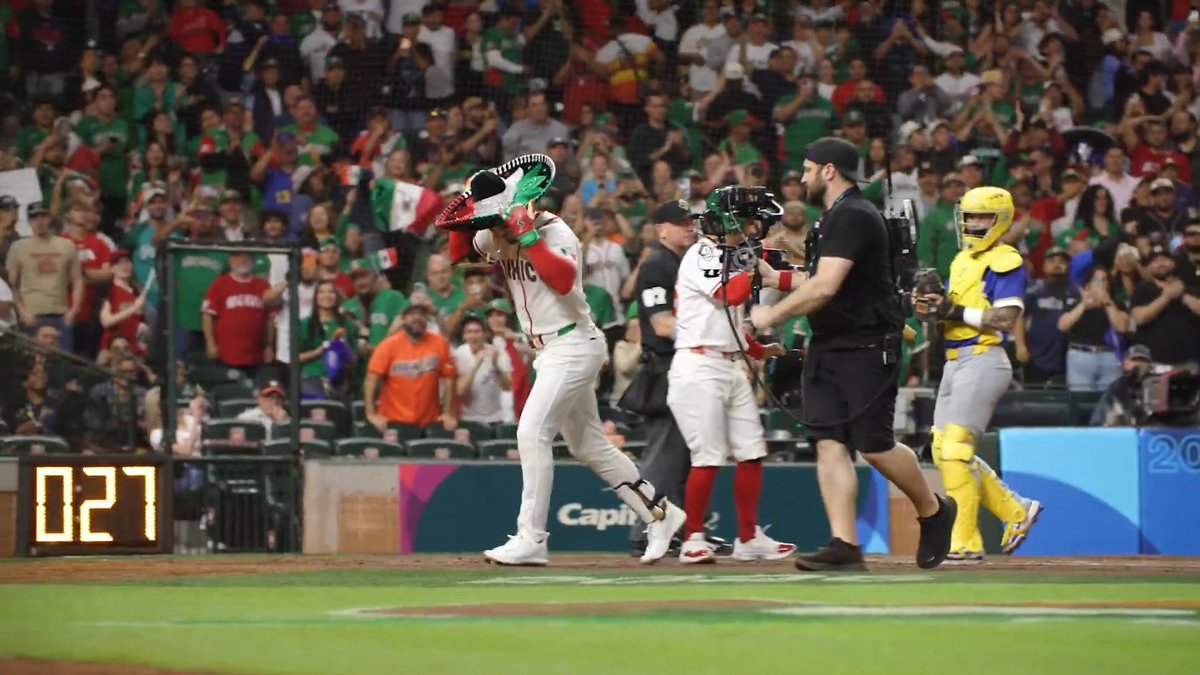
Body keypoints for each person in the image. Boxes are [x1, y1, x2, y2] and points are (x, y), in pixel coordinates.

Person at [446, 161, 685, 566]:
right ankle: (660, 513)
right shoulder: (497, 229)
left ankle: (532, 537)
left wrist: (526, 234)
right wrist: (470, 208)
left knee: (531, 431)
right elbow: (459, 254)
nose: (496, 227)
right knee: (588, 445)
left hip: (573, 342)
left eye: (500, 217)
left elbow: (560, 280)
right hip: (549, 350)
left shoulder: (556, 232)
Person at [749, 137, 956, 571]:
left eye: (808, 170)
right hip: (829, 345)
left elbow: (825, 286)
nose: (802, 178)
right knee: (828, 442)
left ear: (829, 171)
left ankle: (934, 510)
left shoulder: (854, 215)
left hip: (866, 347)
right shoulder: (832, 218)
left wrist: (771, 316)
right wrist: (777, 278)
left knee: (874, 446)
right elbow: (821, 276)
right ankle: (844, 544)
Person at [913, 186, 1044, 562]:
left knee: (956, 450)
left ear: (1000, 220)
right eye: (969, 216)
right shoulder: (960, 260)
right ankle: (1015, 509)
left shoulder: (1005, 259)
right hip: (955, 360)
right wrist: (928, 307)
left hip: (985, 357)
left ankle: (965, 541)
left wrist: (952, 311)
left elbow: (1005, 318)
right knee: (944, 450)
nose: (972, 223)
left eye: (982, 216)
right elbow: (948, 313)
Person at [668, 193, 797, 564]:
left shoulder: (730, 255)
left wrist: (762, 351)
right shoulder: (702, 253)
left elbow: (734, 326)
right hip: (698, 365)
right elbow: (728, 295)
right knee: (708, 456)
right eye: (751, 221)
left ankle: (748, 537)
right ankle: (693, 538)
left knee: (751, 451)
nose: (756, 229)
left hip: (728, 364)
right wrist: (752, 263)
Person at [625, 201, 698, 557]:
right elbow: (661, 324)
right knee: (664, 457)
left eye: (691, 221)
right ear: (661, 230)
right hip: (665, 368)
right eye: (680, 222)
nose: (689, 227)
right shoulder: (657, 264)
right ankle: (645, 530)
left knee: (684, 458)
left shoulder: (684, 263)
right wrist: (707, 331)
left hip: (685, 364)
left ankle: (681, 532)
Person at [363, 303, 457, 432]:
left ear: (428, 319)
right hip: (392, 421)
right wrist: (371, 414)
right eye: (412, 314)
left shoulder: (440, 343)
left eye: (422, 314)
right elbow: (371, 379)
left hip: (429, 421)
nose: (417, 317)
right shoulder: (387, 345)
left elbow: (449, 379)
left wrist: (447, 413)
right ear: (403, 319)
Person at [4, 201, 82, 351]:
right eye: (34, 217)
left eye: (42, 216)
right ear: (28, 221)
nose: (39, 221)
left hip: (60, 314)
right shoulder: (18, 247)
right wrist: (22, 311)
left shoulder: (67, 245)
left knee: (61, 361)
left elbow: (77, 280)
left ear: (49, 218)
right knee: (30, 359)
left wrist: (74, 310)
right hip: (31, 314)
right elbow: (12, 284)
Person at [201, 251, 271, 378]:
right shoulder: (219, 284)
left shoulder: (263, 285)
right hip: (226, 354)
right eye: (238, 256)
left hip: (255, 355)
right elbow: (208, 315)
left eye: (247, 256)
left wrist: (269, 346)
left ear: (253, 261)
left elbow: (270, 318)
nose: (242, 260)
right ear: (230, 260)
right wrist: (210, 343)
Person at [452, 315, 513, 425]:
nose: (473, 336)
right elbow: (459, 390)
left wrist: (496, 366)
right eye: (469, 332)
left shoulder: (498, 353)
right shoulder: (458, 355)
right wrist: (476, 365)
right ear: (464, 336)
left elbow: (507, 387)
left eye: (477, 332)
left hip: (495, 417)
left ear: (485, 334)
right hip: (467, 418)